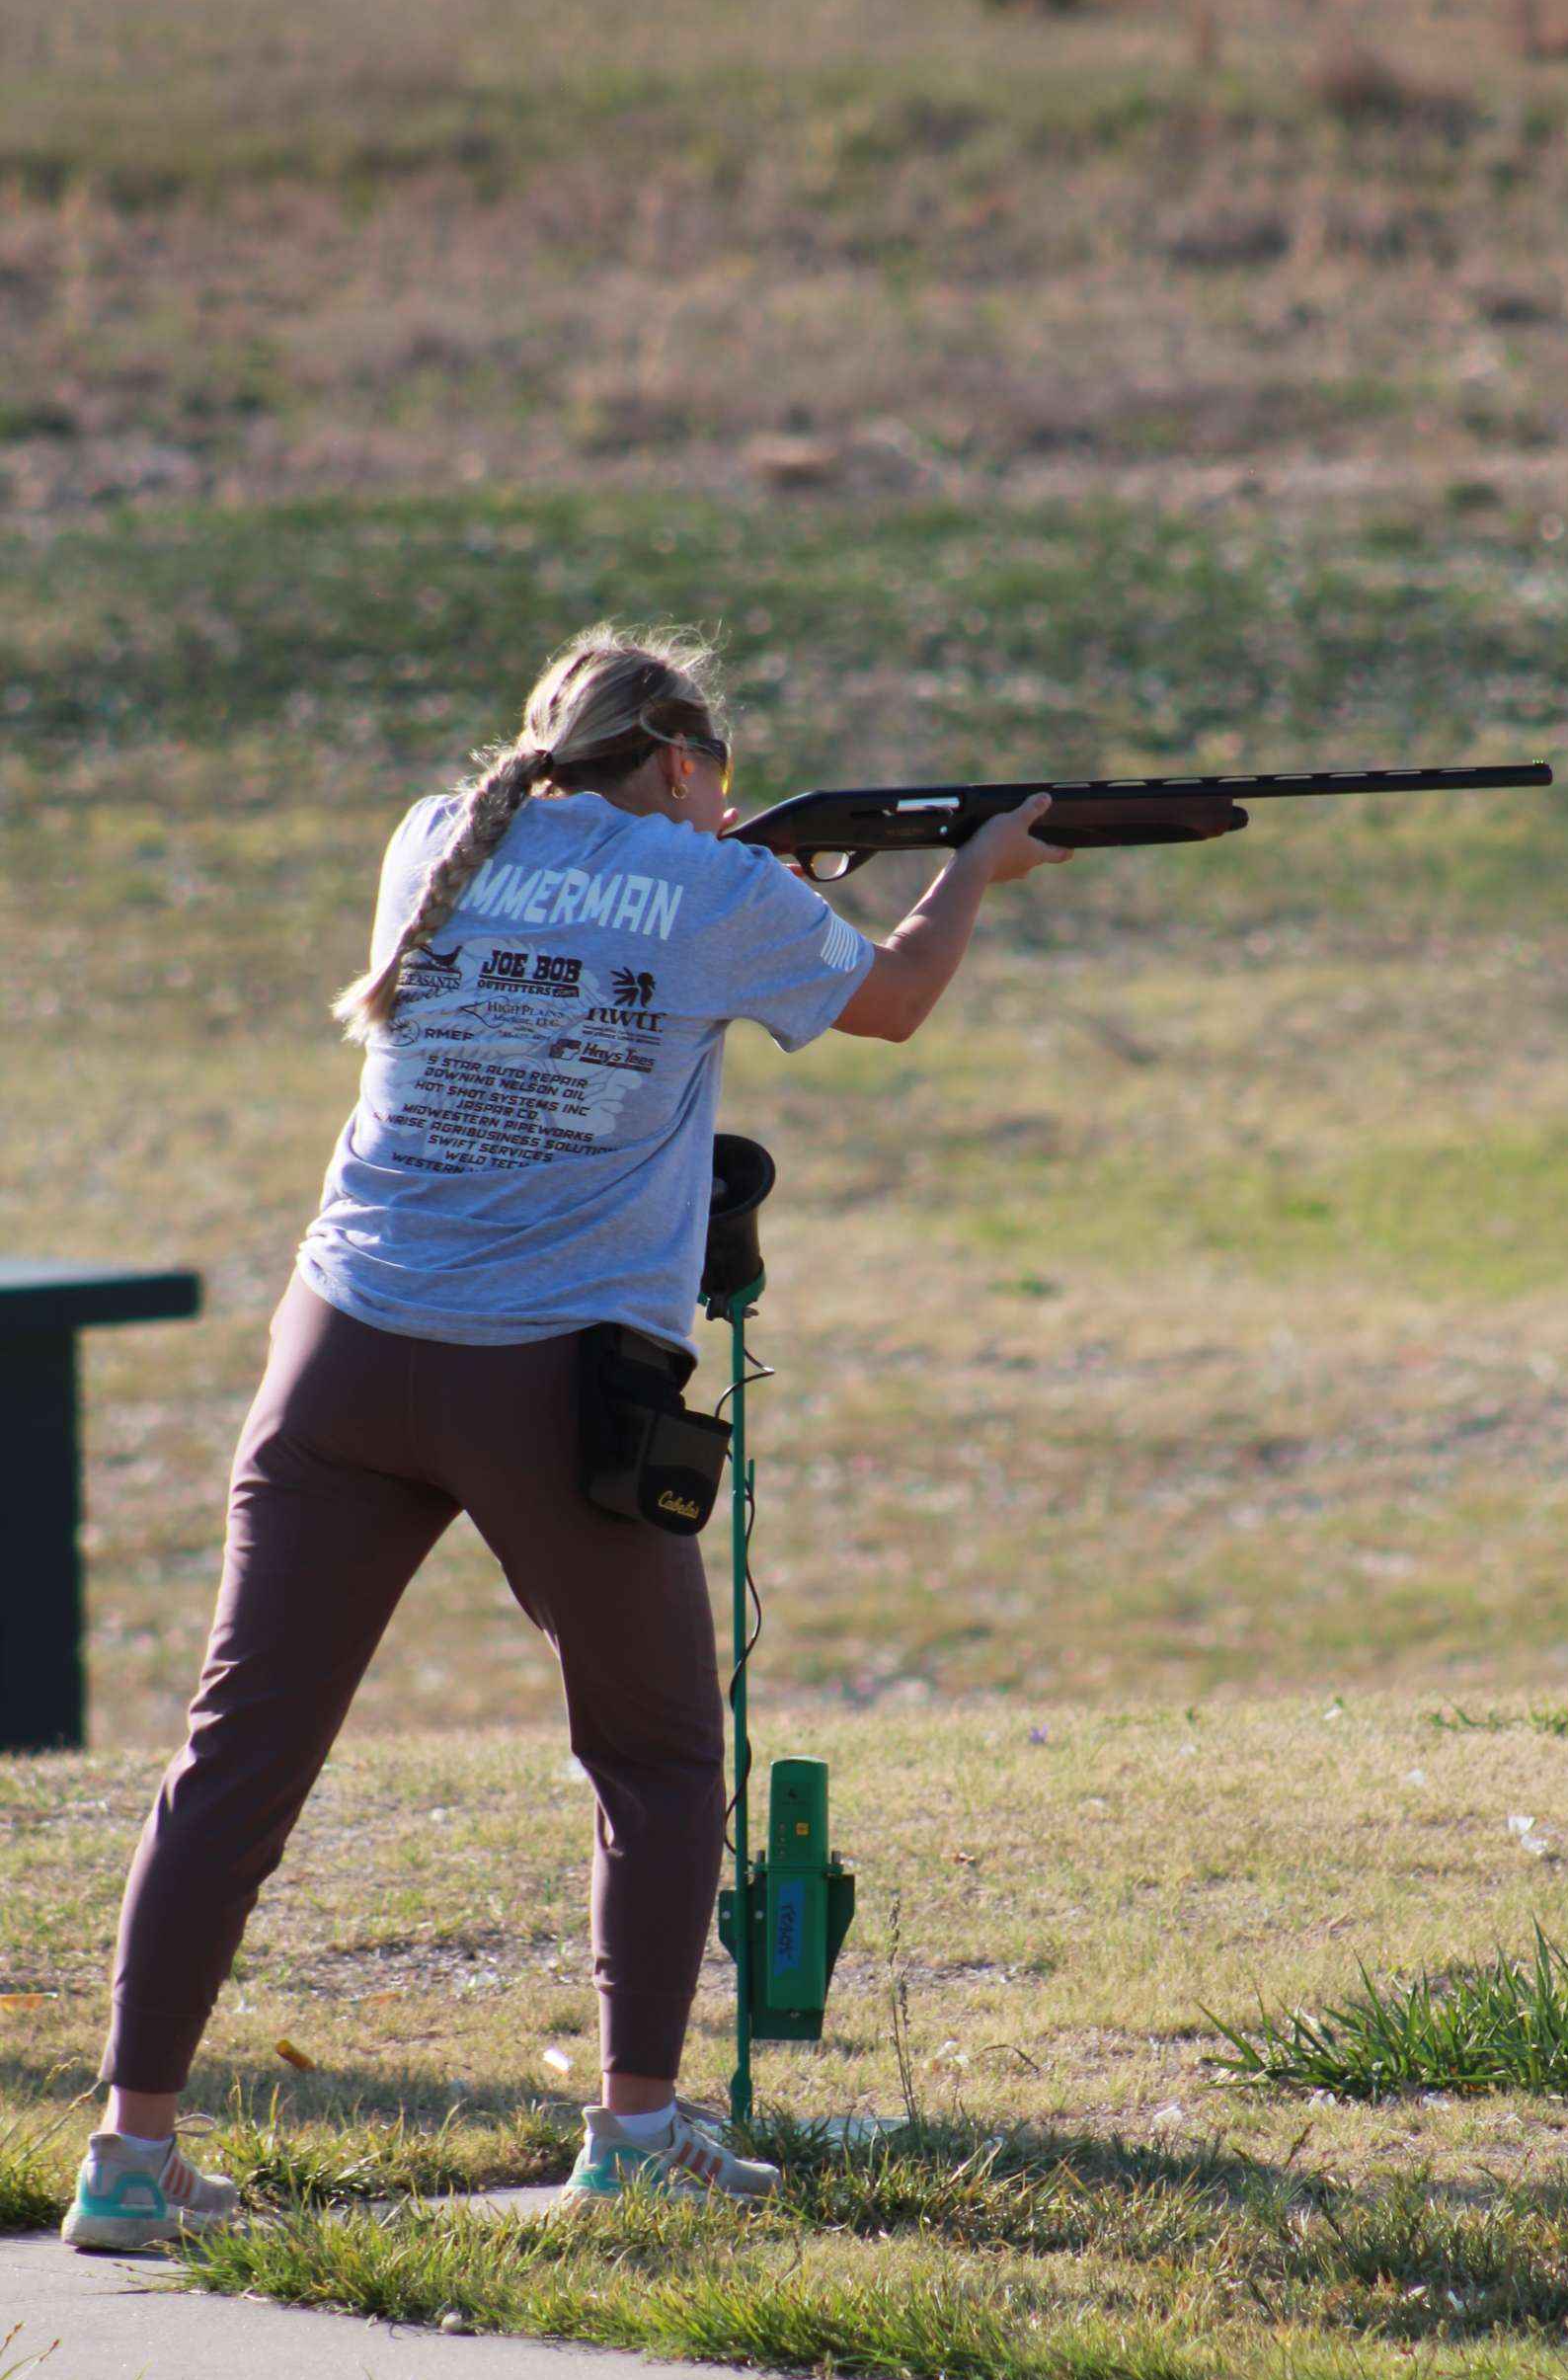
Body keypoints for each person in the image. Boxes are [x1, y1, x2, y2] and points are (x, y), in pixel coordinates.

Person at [62, 622, 1069, 2251]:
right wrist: (970, 869)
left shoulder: (434, 838)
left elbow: (595, 903)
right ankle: (633, 2128)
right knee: (660, 1762)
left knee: (233, 1761)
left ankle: (127, 2154)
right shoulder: (717, 891)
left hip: (339, 1355)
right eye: (715, 782)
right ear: (683, 765)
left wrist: (747, 864)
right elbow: (888, 1002)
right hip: (546, 1378)